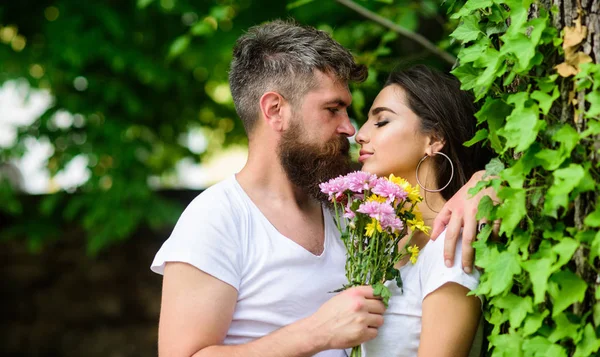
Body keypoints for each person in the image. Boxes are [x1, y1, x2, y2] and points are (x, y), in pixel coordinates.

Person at [151, 20, 489, 357]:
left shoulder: (355, 212)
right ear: (275, 110)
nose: (350, 129)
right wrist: (315, 334)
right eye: (332, 109)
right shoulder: (218, 218)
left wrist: (484, 183)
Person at [355, 65, 492, 356]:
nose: (361, 135)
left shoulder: (450, 245)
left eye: (381, 122)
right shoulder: (381, 246)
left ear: (434, 139)